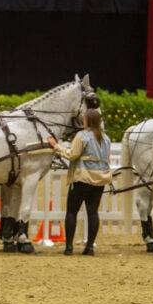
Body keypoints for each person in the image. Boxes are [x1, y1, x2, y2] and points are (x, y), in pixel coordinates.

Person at [47, 103, 112, 256]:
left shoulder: (82, 136)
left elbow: (72, 155)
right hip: (99, 180)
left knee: (71, 212)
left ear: (88, 121)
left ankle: (69, 247)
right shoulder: (106, 138)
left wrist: (56, 146)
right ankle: (89, 248)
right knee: (93, 213)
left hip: (82, 178)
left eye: (84, 119)